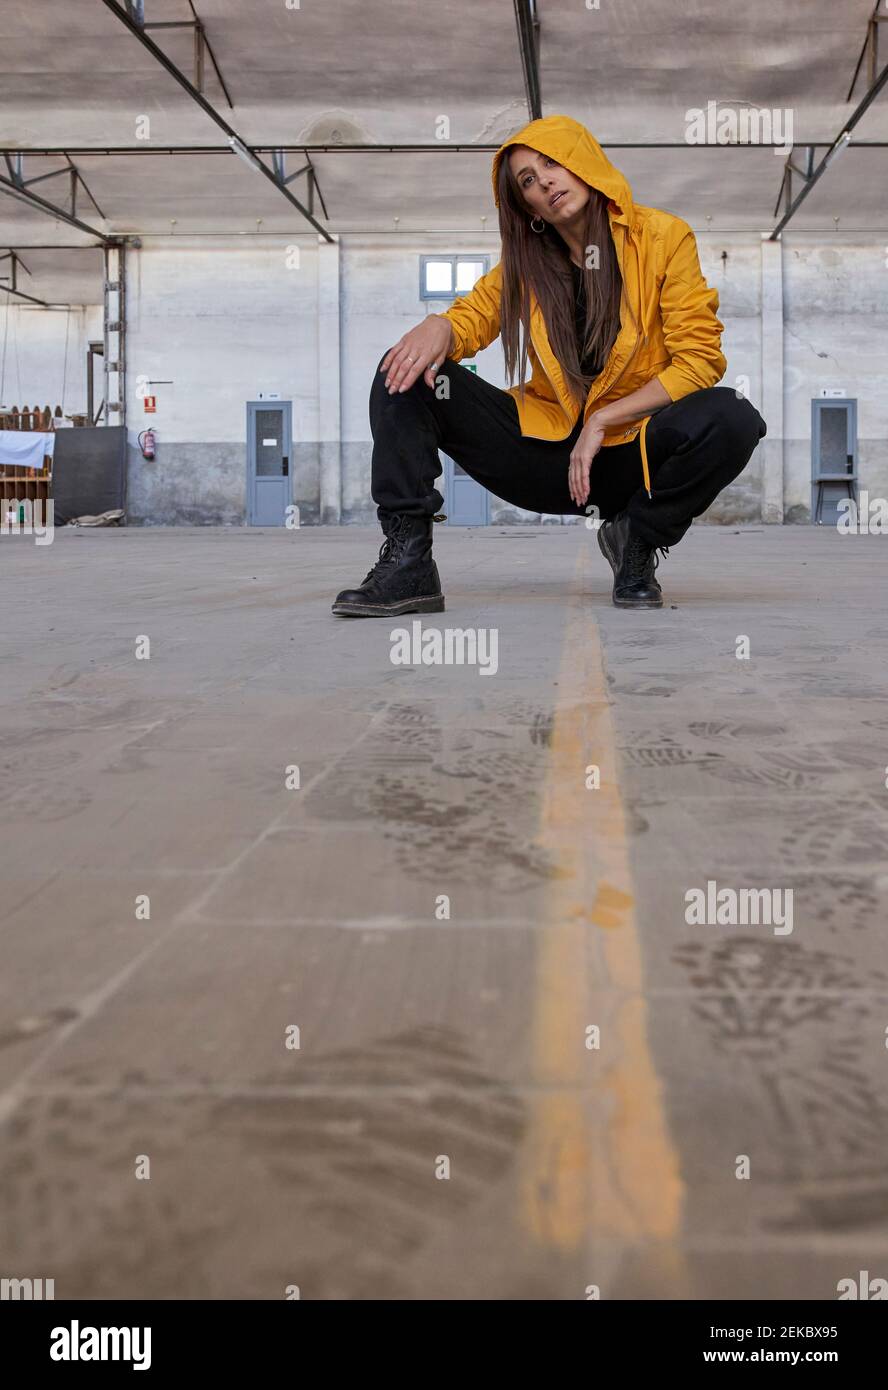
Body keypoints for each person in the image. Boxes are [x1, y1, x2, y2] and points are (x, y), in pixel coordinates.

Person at [332, 113, 767, 616]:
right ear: (529, 208)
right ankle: (410, 564)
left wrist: (603, 419)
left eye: (552, 163)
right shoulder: (527, 264)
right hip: (550, 459)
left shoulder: (664, 237)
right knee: (403, 371)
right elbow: (475, 315)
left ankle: (637, 543)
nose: (547, 182)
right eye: (528, 181)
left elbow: (700, 359)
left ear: (583, 163)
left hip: (634, 454)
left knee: (733, 415)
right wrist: (441, 326)